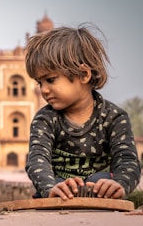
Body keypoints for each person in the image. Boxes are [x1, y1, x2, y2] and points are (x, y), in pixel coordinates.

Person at [24, 23, 141, 200]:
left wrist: (120, 184)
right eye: (40, 83)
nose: (44, 90)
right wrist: (50, 187)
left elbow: (127, 160)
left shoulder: (114, 118)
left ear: (84, 74)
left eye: (50, 80)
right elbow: (37, 160)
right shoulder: (45, 119)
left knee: (100, 179)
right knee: (57, 183)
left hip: (100, 194)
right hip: (59, 194)